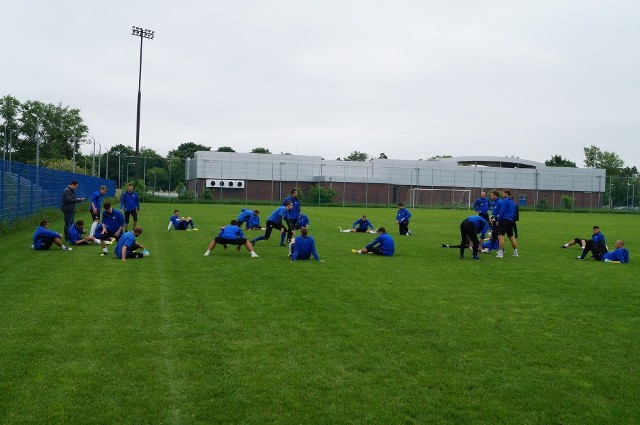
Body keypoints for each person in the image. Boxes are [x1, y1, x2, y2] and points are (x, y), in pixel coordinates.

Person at [495, 190, 518, 258]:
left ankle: (500, 253)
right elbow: (514, 213)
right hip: (510, 220)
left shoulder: (505, 200)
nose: (502, 194)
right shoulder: (512, 202)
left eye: (503, 193)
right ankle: (516, 253)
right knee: (511, 237)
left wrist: (498, 220)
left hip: (504, 220)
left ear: (506, 194)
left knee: (501, 236)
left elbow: (502, 210)